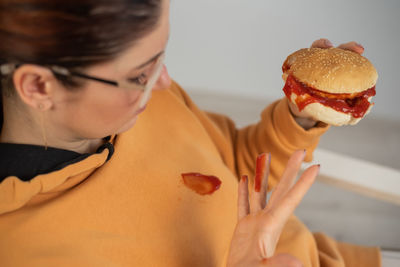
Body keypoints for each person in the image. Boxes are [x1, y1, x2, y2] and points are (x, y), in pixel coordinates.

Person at [0, 0, 381, 266]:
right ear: (38, 86)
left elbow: (237, 169)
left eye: (162, 59)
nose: (164, 83)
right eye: (139, 75)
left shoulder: (146, 106)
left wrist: (297, 117)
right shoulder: (30, 251)